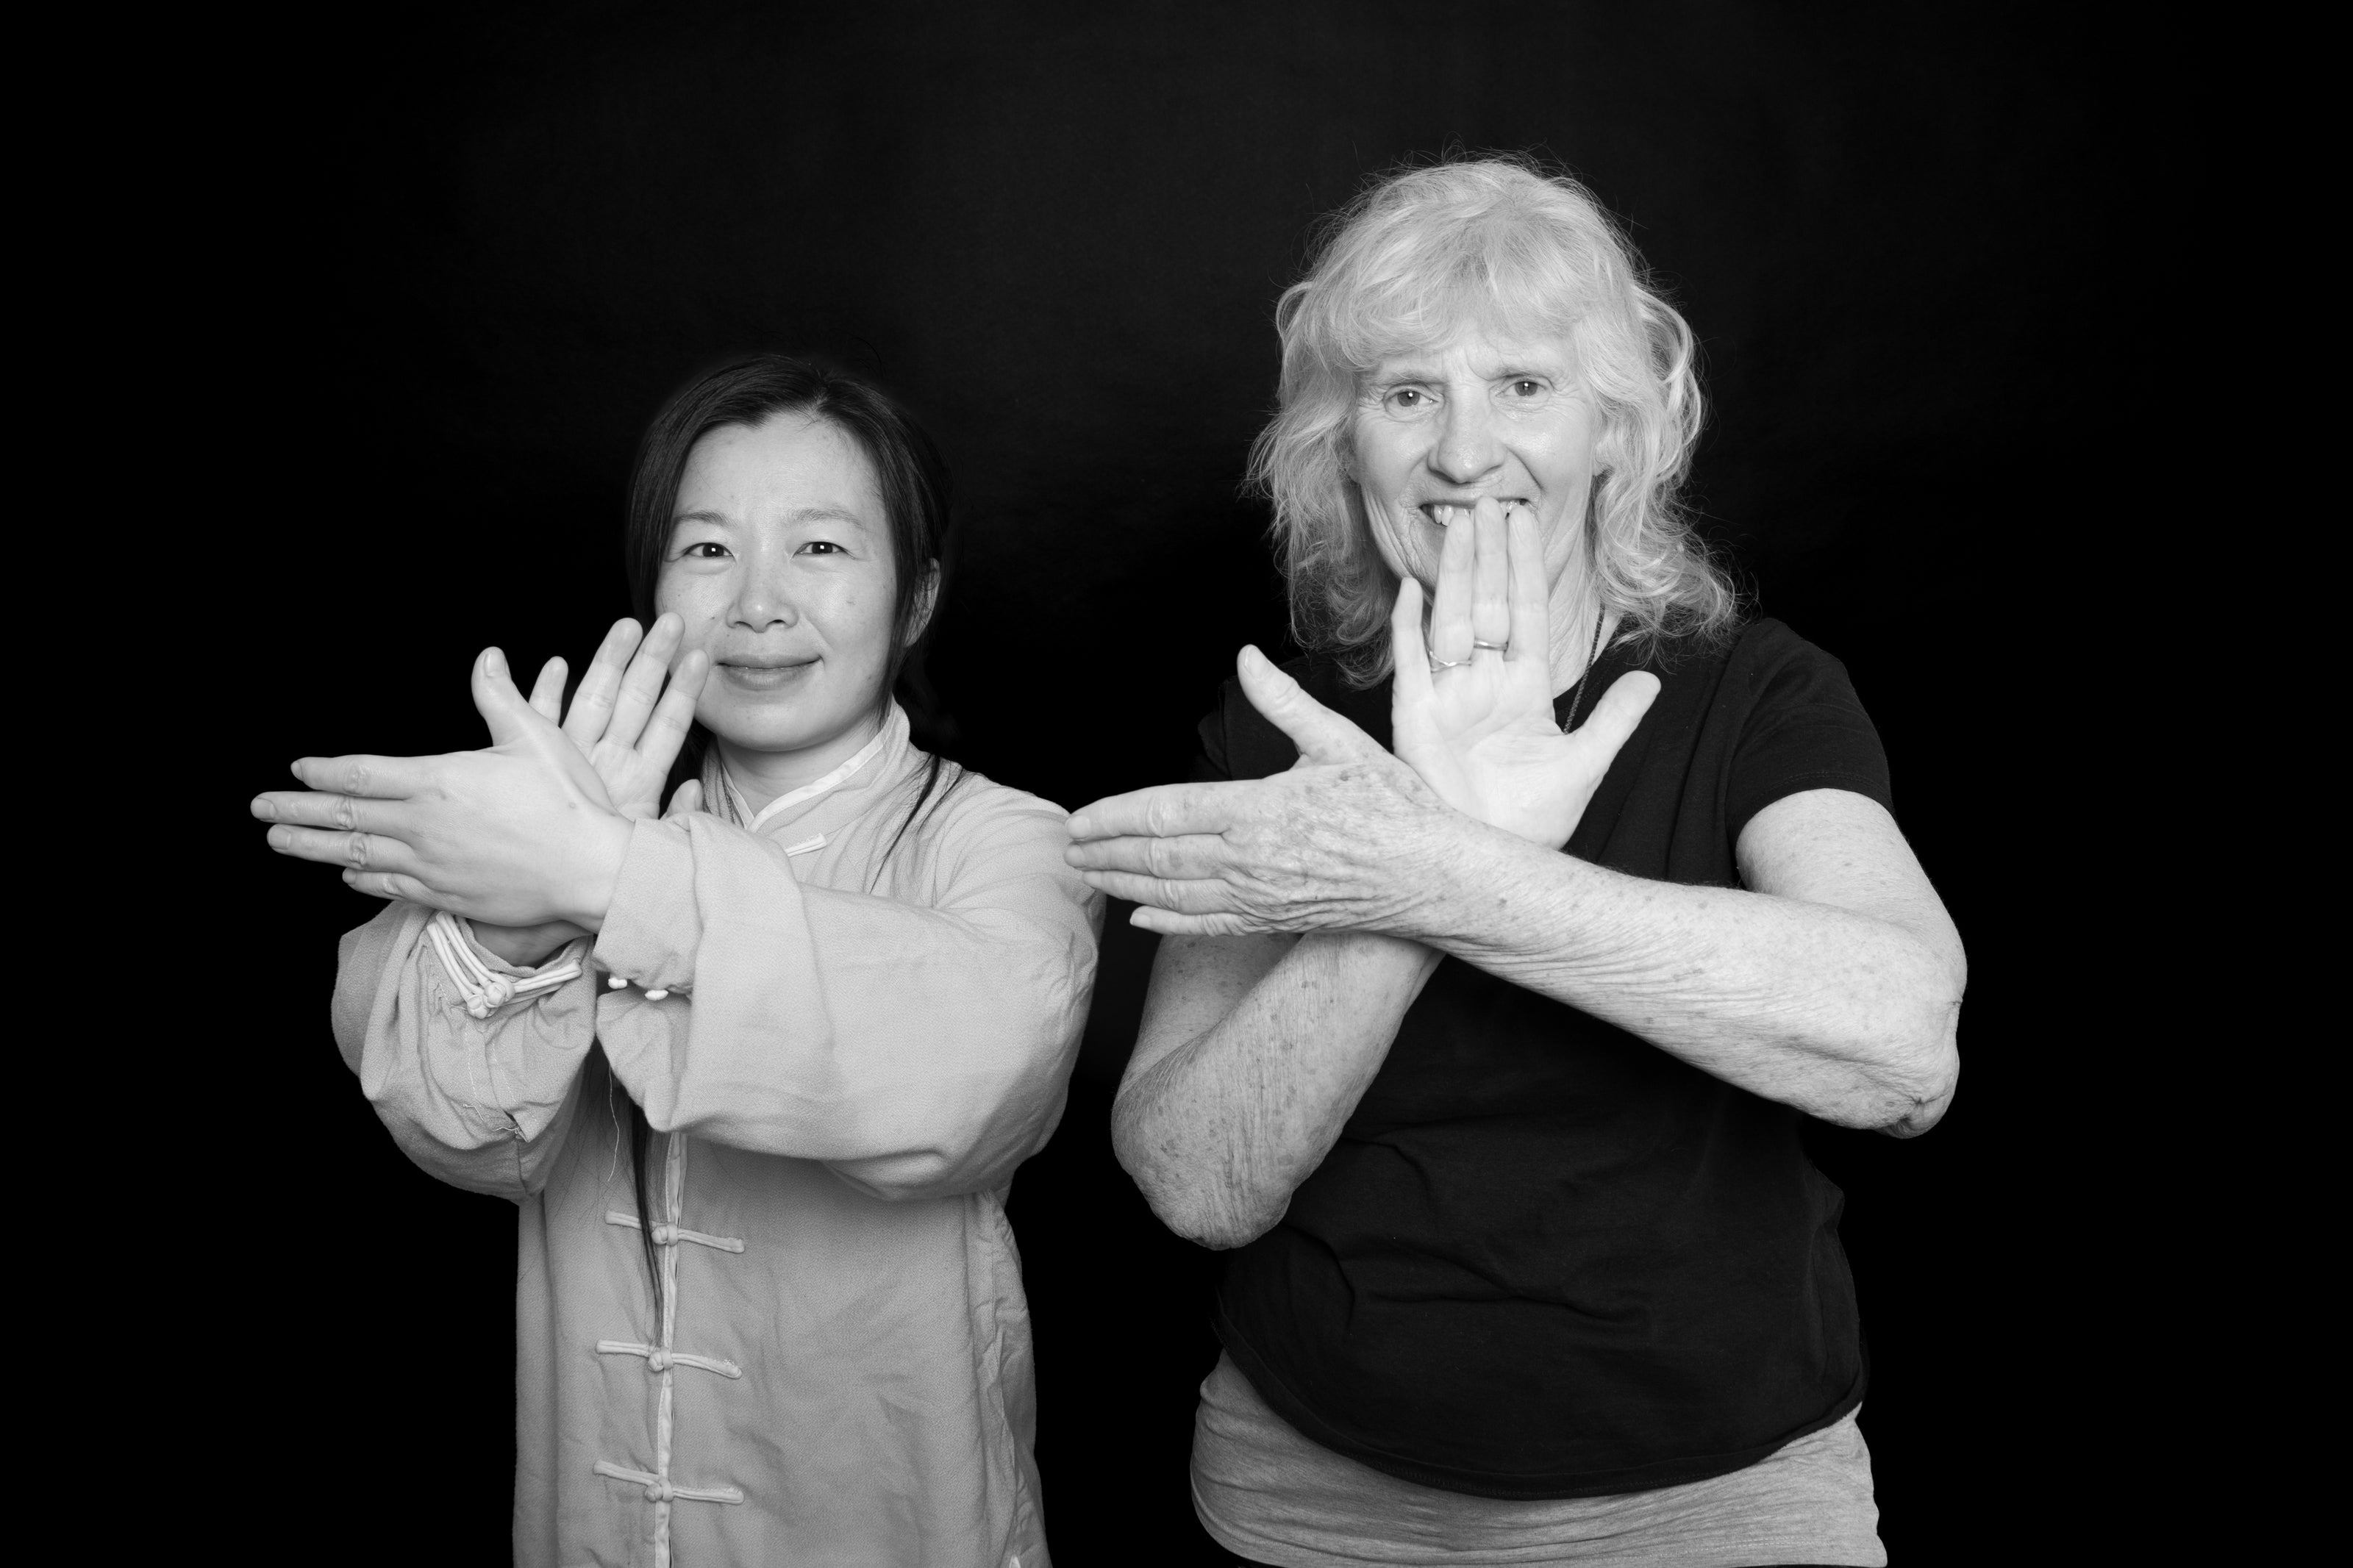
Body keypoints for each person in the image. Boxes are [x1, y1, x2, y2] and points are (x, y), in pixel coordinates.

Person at [1065, 161, 1965, 1567]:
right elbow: (1195, 1179)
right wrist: (1421, 855)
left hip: (1715, 1503)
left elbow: (1902, 1044)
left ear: (1617, 430)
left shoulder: (1758, 697)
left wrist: (1446, 869)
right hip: (1314, 1495)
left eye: (1524, 389)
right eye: (1407, 392)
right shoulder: (1282, 720)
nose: (1464, 451)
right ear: (1342, 444)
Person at [254, 355, 1101, 1568]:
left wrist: (598, 876)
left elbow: (975, 1076)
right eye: (707, 551)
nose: (756, 604)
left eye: (819, 549)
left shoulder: (1008, 839)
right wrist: (514, 918)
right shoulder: (563, 826)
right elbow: (460, 1129)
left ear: (917, 596)